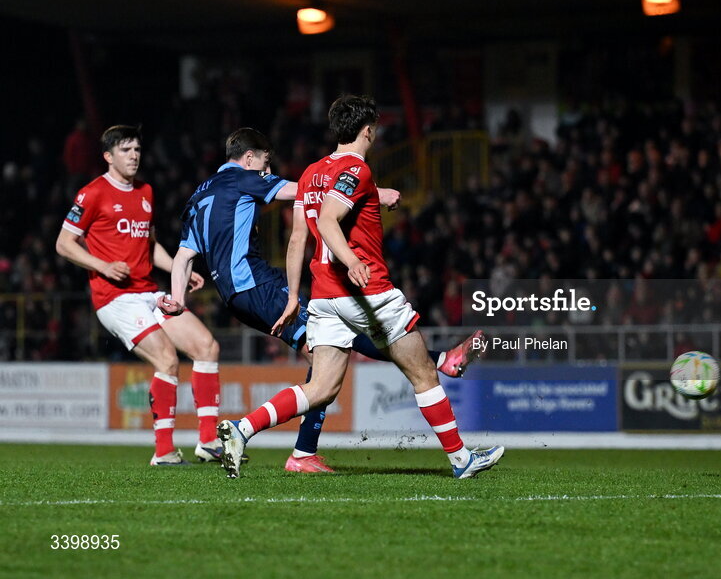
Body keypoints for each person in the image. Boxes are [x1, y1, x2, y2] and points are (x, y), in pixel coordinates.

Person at [159, 127, 484, 472]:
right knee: (331, 346)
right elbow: (308, 192)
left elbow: (183, 257)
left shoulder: (199, 195)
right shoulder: (243, 179)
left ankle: (302, 453)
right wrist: (374, 193)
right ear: (249, 158)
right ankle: (438, 361)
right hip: (258, 284)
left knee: (327, 350)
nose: (268, 173)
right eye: (265, 164)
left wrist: (178, 300)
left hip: (235, 296)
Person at [55, 125, 222, 466]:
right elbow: (63, 244)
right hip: (114, 298)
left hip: (147, 292)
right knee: (167, 359)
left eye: (137, 150)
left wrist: (180, 268)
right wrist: (101, 265)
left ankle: (208, 442)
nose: (133, 156)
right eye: (125, 150)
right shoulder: (92, 193)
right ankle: (163, 451)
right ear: (108, 156)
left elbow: (149, 244)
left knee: (207, 346)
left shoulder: (145, 191)